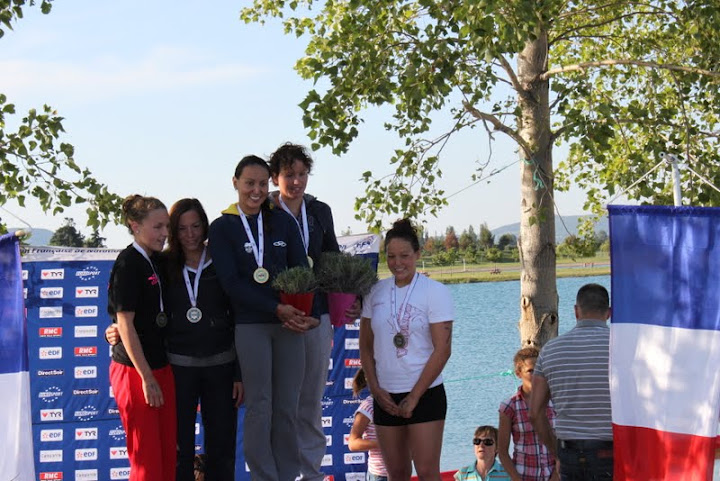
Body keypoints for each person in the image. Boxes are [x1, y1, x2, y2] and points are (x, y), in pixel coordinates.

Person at [107, 198, 244, 481]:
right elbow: (131, 312)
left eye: (196, 226)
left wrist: (239, 372)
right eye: (180, 228)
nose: (189, 234)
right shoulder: (162, 262)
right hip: (177, 369)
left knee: (221, 448)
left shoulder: (222, 260)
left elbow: (239, 316)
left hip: (220, 366)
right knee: (175, 451)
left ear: (205, 226)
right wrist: (116, 328)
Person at [208, 154, 317, 481]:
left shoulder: (282, 222)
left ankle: (288, 474)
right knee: (260, 406)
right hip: (252, 325)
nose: (256, 190)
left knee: (287, 406)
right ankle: (264, 476)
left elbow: (302, 271)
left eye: (261, 183)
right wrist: (275, 308)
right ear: (235, 183)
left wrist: (305, 313)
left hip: (289, 325)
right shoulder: (222, 227)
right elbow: (231, 284)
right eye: (249, 183)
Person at [268, 142, 361, 480]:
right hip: (277, 317)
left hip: (316, 314)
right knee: (280, 401)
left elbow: (331, 256)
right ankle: (281, 472)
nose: (296, 181)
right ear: (275, 177)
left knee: (310, 400)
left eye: (302, 174)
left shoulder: (319, 210)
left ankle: (311, 473)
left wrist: (353, 296)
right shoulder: (263, 212)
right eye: (288, 175)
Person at [359, 218, 453, 481]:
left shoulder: (435, 292)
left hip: (426, 393)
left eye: (404, 256)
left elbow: (443, 350)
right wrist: (375, 390)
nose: (397, 263)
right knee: (397, 473)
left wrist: (414, 396)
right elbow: (365, 346)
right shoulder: (375, 291)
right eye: (391, 256)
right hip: (385, 396)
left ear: (417, 254)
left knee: (427, 472)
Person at [108, 194, 176, 481]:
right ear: (135, 226)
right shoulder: (128, 263)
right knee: (146, 461)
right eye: (158, 227)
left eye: (167, 226)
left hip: (161, 365)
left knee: (167, 456)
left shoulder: (157, 260)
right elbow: (124, 324)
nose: (165, 233)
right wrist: (146, 377)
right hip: (136, 372)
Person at [529, 283, 613, 481]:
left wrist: (556, 451)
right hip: (611, 450)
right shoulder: (624, 347)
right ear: (609, 312)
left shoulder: (550, 350)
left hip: (569, 452)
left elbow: (535, 413)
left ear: (576, 311)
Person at [498, 348, 558, 481]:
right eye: (530, 371)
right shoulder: (509, 406)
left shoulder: (555, 401)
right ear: (518, 373)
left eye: (539, 370)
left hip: (554, 475)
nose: (536, 375)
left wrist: (556, 476)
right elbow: (502, 452)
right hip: (524, 474)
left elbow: (565, 444)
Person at [349, 368, 388, 481]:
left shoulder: (398, 403)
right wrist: (384, 444)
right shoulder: (368, 406)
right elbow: (353, 443)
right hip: (380, 475)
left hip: (402, 471)